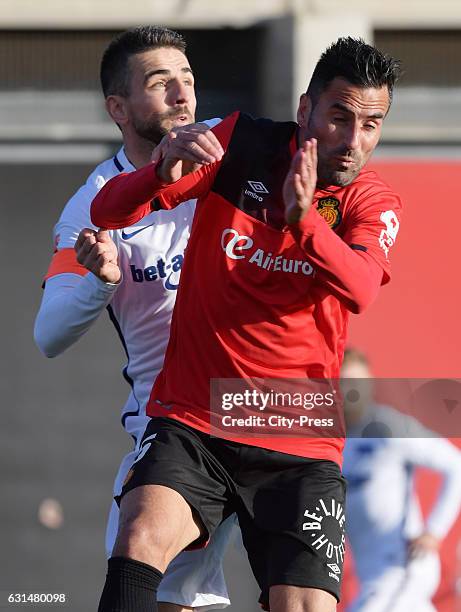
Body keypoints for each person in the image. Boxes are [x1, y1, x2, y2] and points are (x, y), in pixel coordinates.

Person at [91, 37, 402, 612]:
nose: (354, 141)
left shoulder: (371, 199)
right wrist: (159, 171)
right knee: (138, 539)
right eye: (340, 117)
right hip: (197, 416)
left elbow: (360, 289)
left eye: (372, 124)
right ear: (306, 108)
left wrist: (304, 221)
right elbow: (108, 211)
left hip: (299, 435)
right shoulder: (239, 142)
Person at [33, 25, 236, 612]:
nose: (182, 94)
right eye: (160, 82)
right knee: (153, 588)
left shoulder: (233, 162)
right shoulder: (94, 203)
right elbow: (48, 335)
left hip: (270, 407)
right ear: (117, 108)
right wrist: (103, 280)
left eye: (188, 79)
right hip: (176, 427)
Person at [341, 348, 461, 612]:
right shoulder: (334, 442)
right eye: (345, 382)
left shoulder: (388, 426)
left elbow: (456, 465)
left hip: (402, 568)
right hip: (371, 578)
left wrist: (434, 531)